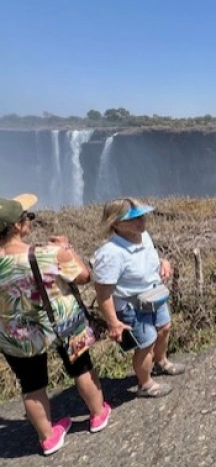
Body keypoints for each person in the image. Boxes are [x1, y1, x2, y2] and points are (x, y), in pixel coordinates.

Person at [0, 194, 110, 455]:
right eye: (27, 217)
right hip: (63, 323)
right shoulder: (49, 253)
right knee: (81, 367)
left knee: (31, 385)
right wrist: (67, 248)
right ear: (17, 226)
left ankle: (48, 438)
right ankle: (97, 414)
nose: (30, 220)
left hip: (15, 334)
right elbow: (84, 277)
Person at [93, 198, 186, 399]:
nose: (142, 221)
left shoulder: (143, 236)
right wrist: (113, 323)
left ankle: (161, 362)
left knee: (165, 328)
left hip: (154, 294)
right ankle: (145, 384)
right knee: (146, 344)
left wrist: (164, 263)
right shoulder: (110, 254)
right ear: (115, 223)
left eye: (142, 216)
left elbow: (149, 259)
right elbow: (103, 292)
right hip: (131, 305)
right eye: (134, 218)